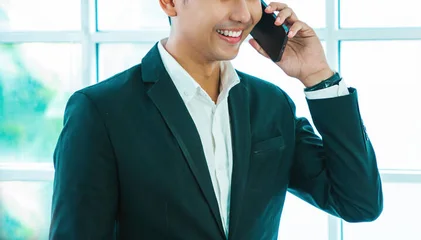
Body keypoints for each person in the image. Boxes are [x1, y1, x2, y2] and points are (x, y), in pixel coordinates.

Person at [49, 0, 383, 239]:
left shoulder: (271, 105)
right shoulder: (100, 111)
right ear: (169, 3)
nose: (242, 13)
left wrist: (318, 77)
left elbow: (358, 202)